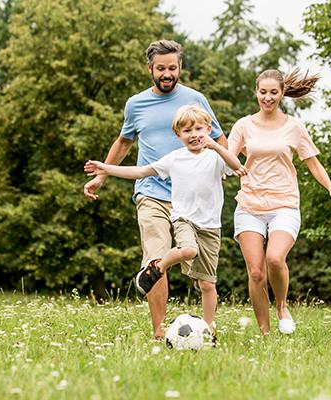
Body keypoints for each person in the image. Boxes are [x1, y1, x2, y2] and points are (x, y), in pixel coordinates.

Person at [83, 40, 227, 339]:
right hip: (151, 193)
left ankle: (207, 328)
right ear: (150, 69)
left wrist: (222, 169)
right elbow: (124, 143)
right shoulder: (136, 104)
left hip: (191, 198)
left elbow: (220, 140)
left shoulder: (195, 100)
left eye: (172, 68)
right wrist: (101, 176)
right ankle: (160, 331)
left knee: (201, 270)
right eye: (161, 68)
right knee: (156, 259)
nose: (167, 74)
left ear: (180, 67)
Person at [86, 105, 245, 332]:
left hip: (210, 225)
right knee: (189, 250)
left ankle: (209, 330)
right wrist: (106, 169)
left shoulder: (216, 157)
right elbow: (141, 172)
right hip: (184, 219)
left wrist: (217, 147)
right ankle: (158, 267)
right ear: (177, 135)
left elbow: (236, 166)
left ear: (209, 129)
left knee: (207, 283)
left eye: (199, 129)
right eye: (187, 131)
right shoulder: (175, 159)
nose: (194, 135)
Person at [228, 68, 331, 335]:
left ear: (282, 94)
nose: (267, 98)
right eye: (262, 92)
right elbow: (228, 158)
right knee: (256, 272)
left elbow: (313, 163)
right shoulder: (243, 125)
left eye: (273, 92)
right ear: (256, 92)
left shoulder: (294, 126)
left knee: (275, 259)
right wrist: (227, 165)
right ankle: (265, 333)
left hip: (284, 203)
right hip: (249, 204)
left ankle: (281, 306)